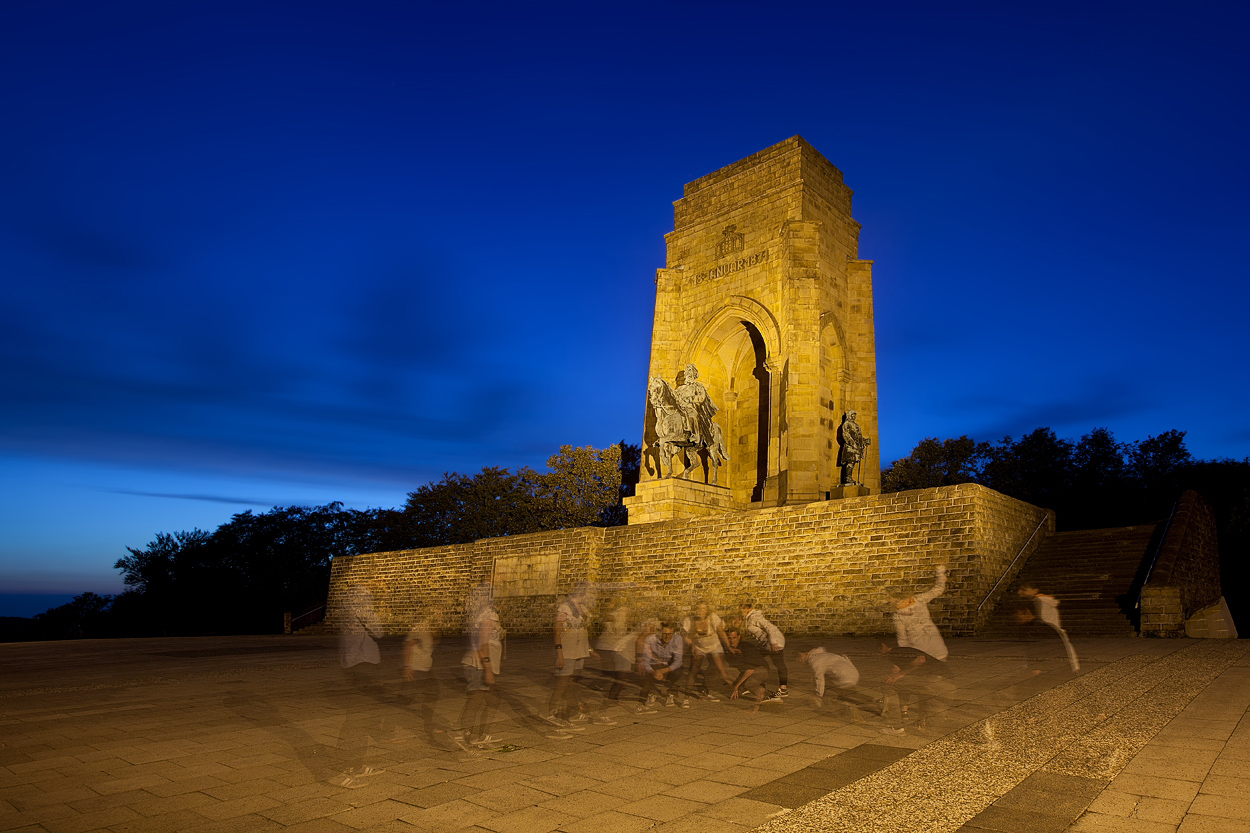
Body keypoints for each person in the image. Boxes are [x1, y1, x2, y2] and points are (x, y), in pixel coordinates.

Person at [335, 583, 387, 787]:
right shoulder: (362, 606)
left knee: (359, 716)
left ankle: (355, 764)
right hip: (364, 663)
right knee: (359, 717)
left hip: (350, 662)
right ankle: (344, 768)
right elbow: (378, 631)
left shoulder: (345, 608)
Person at [455, 585, 504, 750]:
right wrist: (488, 669)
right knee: (476, 699)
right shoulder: (488, 615)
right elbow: (483, 643)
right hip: (479, 664)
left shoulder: (483, 614)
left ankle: (479, 733)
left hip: (479, 663)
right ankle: (465, 734)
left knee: (493, 700)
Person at [545, 583, 598, 728]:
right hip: (567, 651)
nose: (588, 596)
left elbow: (582, 630)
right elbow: (557, 632)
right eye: (586, 593)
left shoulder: (582, 609)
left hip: (579, 651)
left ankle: (570, 711)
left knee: (572, 683)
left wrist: (589, 650)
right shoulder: (564, 609)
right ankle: (552, 712)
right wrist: (559, 654)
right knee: (562, 683)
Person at [1017, 583, 1079, 671]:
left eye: (1024, 590)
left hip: (1049, 633)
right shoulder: (1043, 600)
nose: (1019, 592)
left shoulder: (1039, 601)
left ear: (1035, 590)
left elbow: (1041, 619)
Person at [797, 646, 873, 714]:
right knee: (848, 692)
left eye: (799, 656)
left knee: (846, 692)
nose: (798, 659)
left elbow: (819, 679)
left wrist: (818, 695)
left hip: (844, 676)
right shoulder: (822, 655)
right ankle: (871, 700)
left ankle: (871, 701)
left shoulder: (815, 660)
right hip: (853, 673)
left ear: (807, 653)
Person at [681, 602, 734, 698]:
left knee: (717, 668)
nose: (700, 611)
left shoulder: (713, 617)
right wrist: (692, 646)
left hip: (714, 645)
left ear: (707, 610)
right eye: (698, 608)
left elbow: (721, 632)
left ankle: (709, 690)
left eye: (703, 609)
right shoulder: (688, 620)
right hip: (699, 646)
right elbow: (686, 637)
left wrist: (728, 646)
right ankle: (686, 696)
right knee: (694, 669)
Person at [739, 600, 788, 696]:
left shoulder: (755, 617)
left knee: (779, 664)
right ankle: (757, 685)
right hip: (766, 644)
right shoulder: (750, 618)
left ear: (746, 609)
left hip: (775, 643)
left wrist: (774, 642)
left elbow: (770, 628)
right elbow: (761, 634)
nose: (740, 612)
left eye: (741, 610)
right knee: (753, 660)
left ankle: (783, 689)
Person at [725, 627, 781, 712]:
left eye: (734, 638)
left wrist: (736, 687)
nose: (732, 640)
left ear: (738, 637)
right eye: (729, 638)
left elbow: (750, 670)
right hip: (746, 670)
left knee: (747, 682)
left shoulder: (746, 647)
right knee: (725, 672)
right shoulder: (731, 648)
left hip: (761, 669)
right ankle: (753, 688)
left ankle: (767, 695)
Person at [639, 621, 689, 708]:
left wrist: (663, 671)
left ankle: (670, 693)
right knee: (646, 672)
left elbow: (678, 661)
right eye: (665, 634)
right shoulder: (650, 639)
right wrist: (653, 672)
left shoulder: (677, 639)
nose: (667, 636)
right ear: (659, 633)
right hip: (655, 663)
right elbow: (646, 661)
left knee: (678, 671)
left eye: (670, 634)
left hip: (669, 663)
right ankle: (650, 695)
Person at [837, 411, 871, 486]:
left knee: (853, 462)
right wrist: (853, 444)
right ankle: (847, 478)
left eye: (854, 415)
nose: (854, 417)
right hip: (850, 447)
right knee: (850, 462)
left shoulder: (856, 425)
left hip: (856, 448)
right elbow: (846, 435)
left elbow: (859, 437)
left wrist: (865, 441)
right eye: (852, 415)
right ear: (849, 416)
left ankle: (849, 477)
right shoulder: (846, 424)